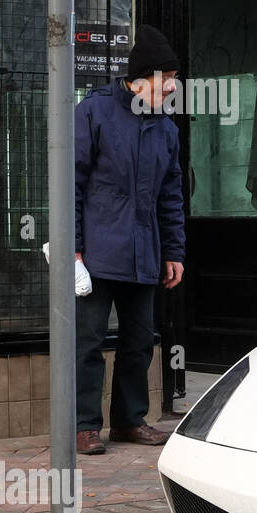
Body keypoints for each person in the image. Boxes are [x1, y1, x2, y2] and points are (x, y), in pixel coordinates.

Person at [73, 25, 186, 454]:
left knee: (139, 341)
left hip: (145, 254)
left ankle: (128, 421)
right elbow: (72, 185)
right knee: (88, 343)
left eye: (174, 78)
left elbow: (171, 194)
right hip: (97, 254)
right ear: (139, 79)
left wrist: (174, 251)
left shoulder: (165, 127)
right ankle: (84, 426)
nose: (172, 86)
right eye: (165, 78)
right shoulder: (94, 112)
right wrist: (75, 247)